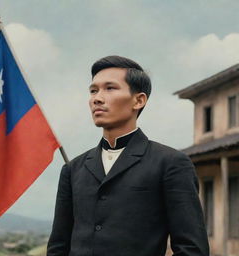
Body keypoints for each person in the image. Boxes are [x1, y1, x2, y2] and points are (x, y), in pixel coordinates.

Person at [47, 56, 210, 256]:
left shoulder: (170, 163)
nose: (97, 98)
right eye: (93, 90)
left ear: (138, 100)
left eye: (110, 88)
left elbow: (192, 249)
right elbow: (58, 247)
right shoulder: (73, 169)